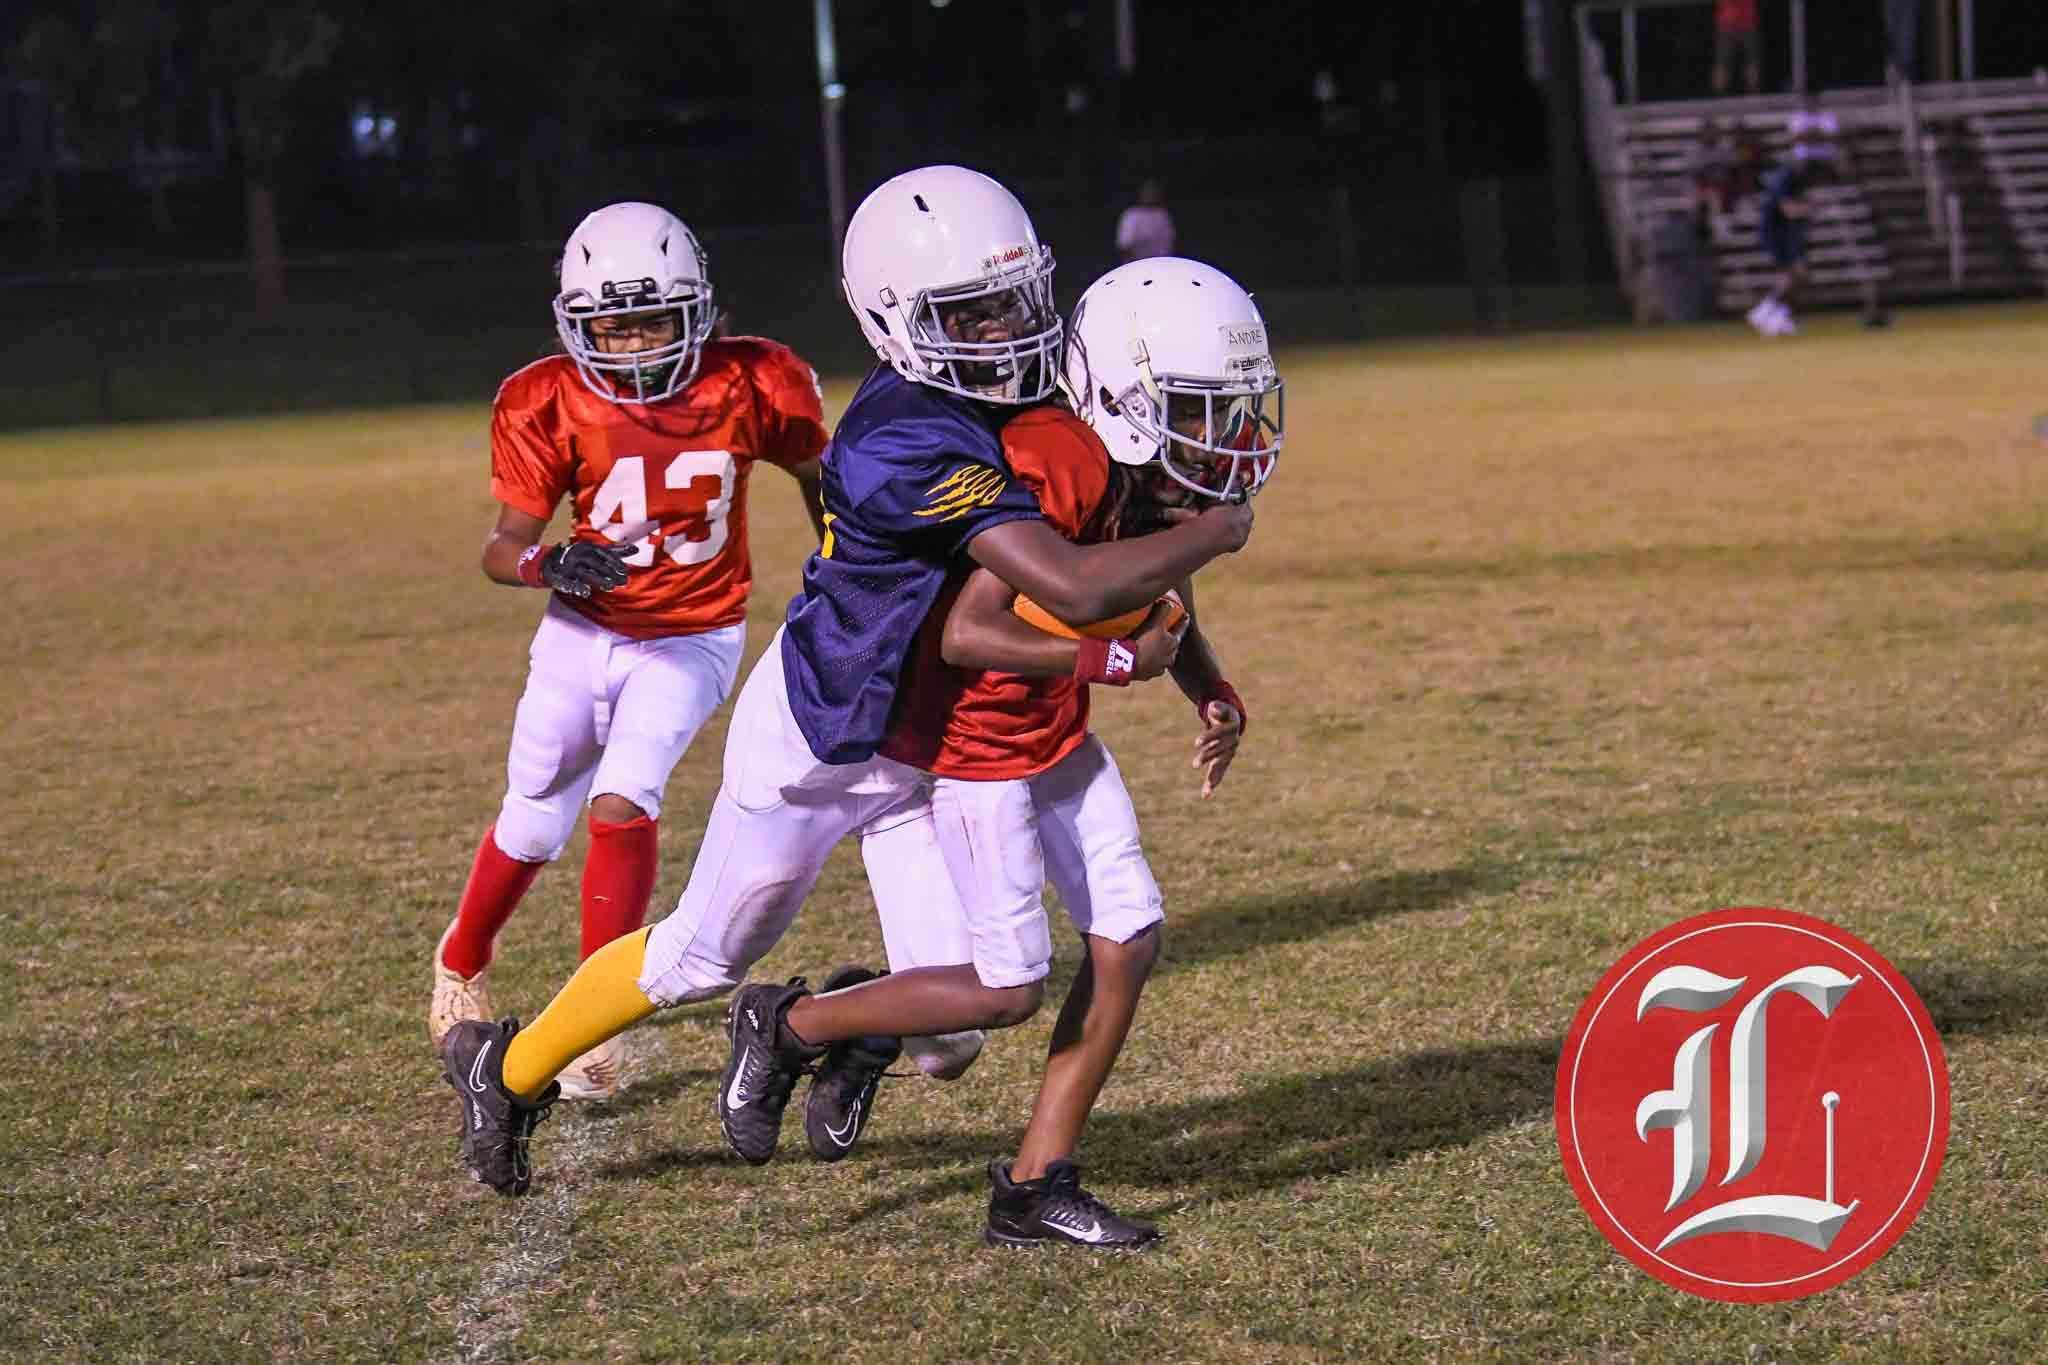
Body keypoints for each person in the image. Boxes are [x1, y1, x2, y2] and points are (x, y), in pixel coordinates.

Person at [438, 165, 1254, 1198]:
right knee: (697, 958)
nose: (1003, 329)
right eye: (969, 312)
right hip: (826, 736)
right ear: (892, 319)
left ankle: (832, 1029)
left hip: (935, 749)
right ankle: (504, 1071)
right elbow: (1066, 579)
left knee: (961, 1021)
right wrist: (1212, 534)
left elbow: (1113, 536)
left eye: (1014, 299)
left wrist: (1195, 656)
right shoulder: (903, 436)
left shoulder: (1040, 391)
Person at [804, 255, 1277, 1248]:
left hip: (1056, 738)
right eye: (1198, 405)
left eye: (1233, 403)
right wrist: (1114, 659)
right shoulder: (1047, 458)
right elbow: (969, 630)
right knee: (1003, 991)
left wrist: (1209, 686)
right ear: (1120, 396)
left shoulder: (1137, 463)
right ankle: (794, 1024)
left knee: (1128, 938)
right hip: (978, 751)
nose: (1227, 432)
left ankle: (1032, 1184)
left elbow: (1154, 587)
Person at [427, 200, 829, 1100]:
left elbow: (820, 479)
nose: (639, 347)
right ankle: (459, 961)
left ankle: (583, 1020)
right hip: (582, 631)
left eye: (657, 322)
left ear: (701, 312)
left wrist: (849, 565)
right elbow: (501, 550)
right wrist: (548, 561)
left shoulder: (758, 380)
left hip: (694, 633)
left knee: (622, 800)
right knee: (532, 817)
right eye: (615, 327)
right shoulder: (546, 398)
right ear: (577, 327)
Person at [1747, 159, 1814, 336]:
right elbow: (1789, 210)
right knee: (1795, 275)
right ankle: (1765, 311)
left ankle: (1777, 316)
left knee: (1797, 277)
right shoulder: (1784, 179)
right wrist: (1810, 209)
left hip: (1785, 232)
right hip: (1776, 234)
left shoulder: (1793, 179)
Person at [1114, 179, 1175, 263]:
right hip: (1135, 264)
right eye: (1148, 191)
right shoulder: (1131, 215)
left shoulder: (1162, 215)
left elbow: (1169, 243)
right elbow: (1124, 245)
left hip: (1160, 264)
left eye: (1153, 191)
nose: (1151, 194)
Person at [1711, 0, 1761, 97]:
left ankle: (1754, 96)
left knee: (1751, 63)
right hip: (1727, 23)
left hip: (1747, 23)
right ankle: (1718, 98)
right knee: (1722, 66)